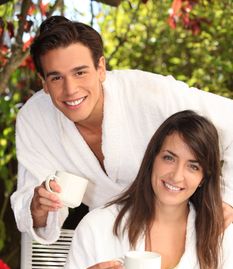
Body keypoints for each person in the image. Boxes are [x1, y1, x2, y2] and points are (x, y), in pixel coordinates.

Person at [10, 15, 233, 244]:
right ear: (44, 83)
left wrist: (227, 199)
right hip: (112, 239)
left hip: (192, 232)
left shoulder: (149, 92)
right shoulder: (34, 119)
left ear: (101, 68)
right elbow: (29, 200)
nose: (71, 89)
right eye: (56, 77)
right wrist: (38, 207)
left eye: (80, 72)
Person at [48, 110, 233, 269]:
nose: (176, 176)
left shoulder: (221, 237)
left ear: (204, 178)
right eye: (169, 158)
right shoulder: (96, 227)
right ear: (152, 159)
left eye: (193, 166)